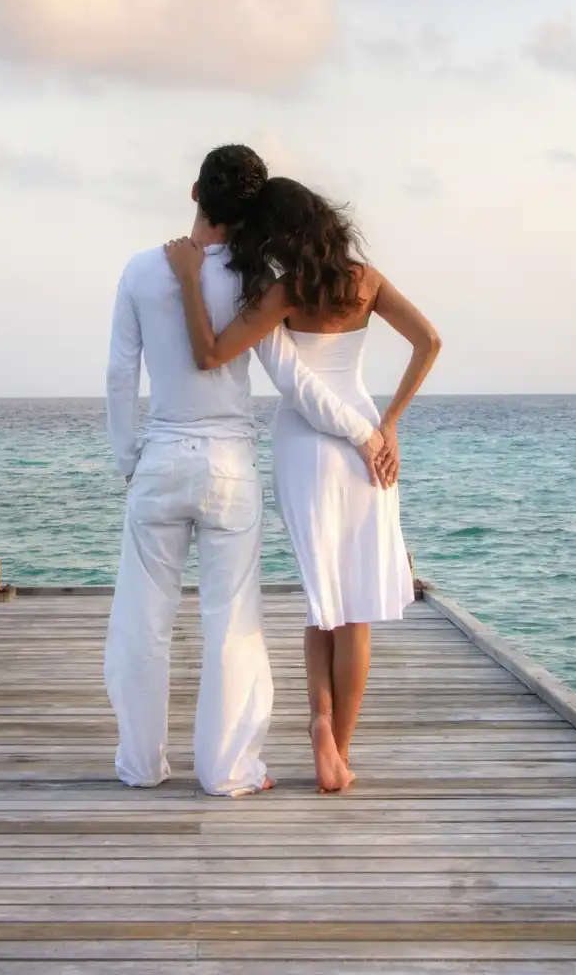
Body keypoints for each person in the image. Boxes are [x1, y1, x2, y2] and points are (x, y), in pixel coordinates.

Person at [104, 146, 392, 797]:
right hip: (230, 467)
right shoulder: (256, 277)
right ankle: (228, 771)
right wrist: (363, 431)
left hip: (160, 459)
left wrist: (129, 459)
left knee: (142, 623)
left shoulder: (141, 270)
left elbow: (121, 374)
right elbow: (292, 375)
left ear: (194, 193)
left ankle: (141, 766)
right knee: (232, 620)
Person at [165, 176, 441, 793]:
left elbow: (209, 354)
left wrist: (187, 278)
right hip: (365, 443)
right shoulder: (364, 280)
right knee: (358, 611)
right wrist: (390, 422)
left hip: (304, 447)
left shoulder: (281, 292)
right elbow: (430, 340)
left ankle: (317, 721)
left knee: (324, 599)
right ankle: (339, 751)